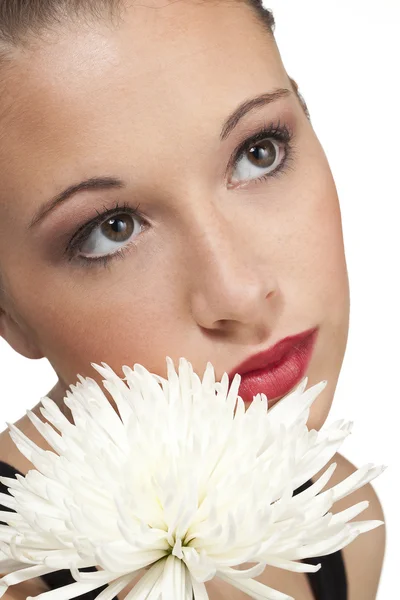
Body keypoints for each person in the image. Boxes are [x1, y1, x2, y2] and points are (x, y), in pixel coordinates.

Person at [0, 0, 386, 598]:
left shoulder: (343, 522)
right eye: (112, 229)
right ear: (8, 313)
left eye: (260, 152)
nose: (240, 293)